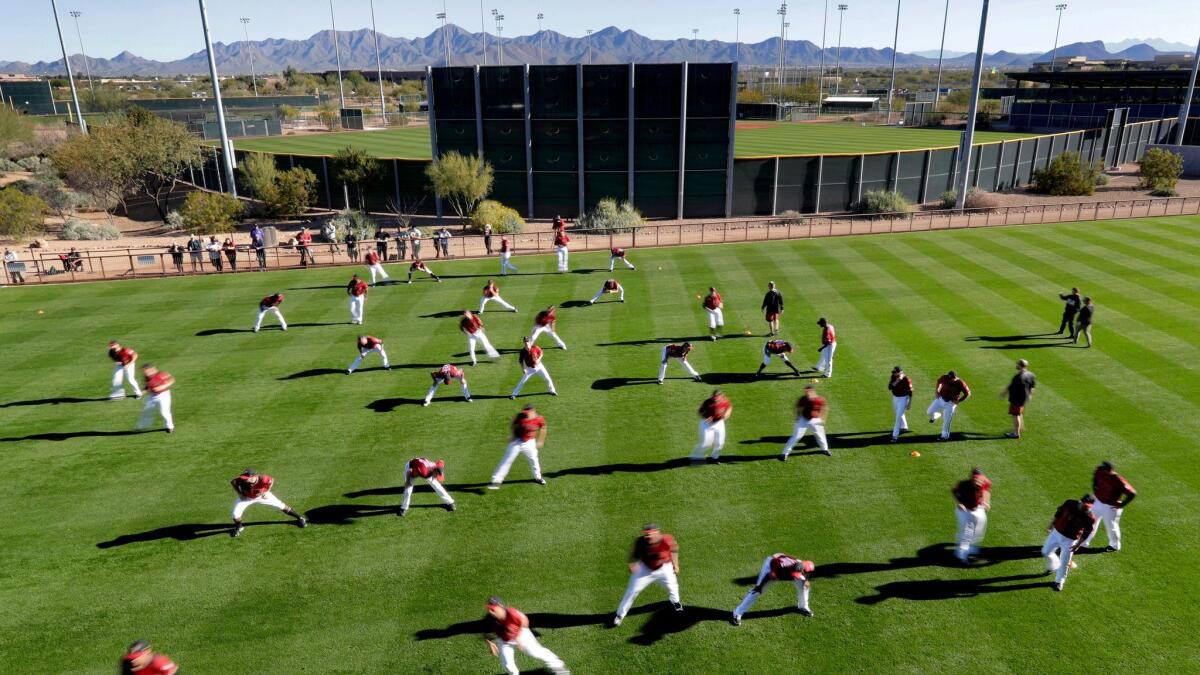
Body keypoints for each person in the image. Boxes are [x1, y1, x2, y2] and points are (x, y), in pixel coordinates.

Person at [611, 524, 683, 627]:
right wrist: (632, 564)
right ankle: (619, 615)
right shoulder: (640, 542)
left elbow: (674, 549)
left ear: (657, 532)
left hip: (664, 568)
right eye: (646, 534)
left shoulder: (667, 539)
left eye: (650, 534)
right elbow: (633, 556)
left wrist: (675, 564)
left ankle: (676, 602)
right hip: (645, 569)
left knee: (673, 587)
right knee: (632, 591)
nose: (647, 537)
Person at [484, 597, 569, 675]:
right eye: (489, 609)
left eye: (492, 609)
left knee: (536, 652)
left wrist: (517, 637)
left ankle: (558, 666)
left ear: (500, 606)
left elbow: (525, 621)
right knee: (507, 664)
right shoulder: (489, 618)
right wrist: (490, 643)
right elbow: (485, 632)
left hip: (521, 634)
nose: (490, 612)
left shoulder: (511, 613)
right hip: (504, 640)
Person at [730, 554, 815, 625]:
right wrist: (760, 586)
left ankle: (803, 606)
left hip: (783, 562)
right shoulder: (780, 567)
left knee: (804, 586)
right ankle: (737, 613)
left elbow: (808, 571)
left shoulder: (804, 565)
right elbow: (770, 571)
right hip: (772, 566)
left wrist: (806, 580)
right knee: (757, 591)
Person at [229, 468, 307, 537]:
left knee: (281, 505)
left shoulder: (263, 479)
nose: (244, 479)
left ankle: (300, 518)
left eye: (247, 477)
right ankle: (239, 526)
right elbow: (233, 482)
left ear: (253, 476)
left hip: (262, 496)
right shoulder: (241, 479)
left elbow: (271, 480)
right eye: (244, 477)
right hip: (247, 498)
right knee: (235, 514)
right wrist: (239, 493)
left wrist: (266, 491)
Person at [1041, 495, 1096, 591]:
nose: (1085, 507)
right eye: (1084, 504)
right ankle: (1054, 565)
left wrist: (1078, 545)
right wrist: (1051, 526)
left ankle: (1059, 582)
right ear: (1080, 501)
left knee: (1065, 562)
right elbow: (1058, 514)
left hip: (1070, 540)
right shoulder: (1069, 503)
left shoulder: (1090, 517)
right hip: (1056, 532)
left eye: (1088, 506)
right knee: (1045, 551)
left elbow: (1086, 533)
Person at [489, 405, 548, 489]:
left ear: (533, 411)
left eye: (527, 413)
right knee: (507, 460)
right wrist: (512, 435)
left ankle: (538, 477)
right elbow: (513, 424)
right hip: (517, 441)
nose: (525, 414)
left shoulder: (539, 418)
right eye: (525, 413)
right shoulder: (519, 416)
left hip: (530, 442)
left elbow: (543, 427)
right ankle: (496, 480)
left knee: (534, 460)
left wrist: (541, 440)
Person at [1083, 461, 1136, 552]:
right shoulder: (1099, 471)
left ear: (1109, 471)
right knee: (1090, 522)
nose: (1100, 469)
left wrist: (1122, 505)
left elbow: (1132, 493)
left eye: (1103, 469)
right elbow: (1094, 480)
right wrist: (1096, 492)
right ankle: (1084, 543)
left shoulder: (1118, 480)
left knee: (1111, 526)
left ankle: (1115, 545)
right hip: (1098, 502)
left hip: (1111, 507)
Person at [952, 468, 991, 563]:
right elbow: (954, 491)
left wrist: (986, 501)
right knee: (967, 532)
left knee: (979, 529)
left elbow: (987, 491)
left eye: (979, 479)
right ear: (972, 479)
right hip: (965, 511)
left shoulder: (985, 482)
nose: (978, 481)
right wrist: (960, 503)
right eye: (975, 479)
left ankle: (970, 546)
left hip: (978, 509)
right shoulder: (964, 485)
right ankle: (961, 554)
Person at [781, 385, 829, 459]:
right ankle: (784, 453)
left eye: (808, 391)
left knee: (820, 436)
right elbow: (797, 407)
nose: (807, 393)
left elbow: (824, 408)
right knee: (796, 436)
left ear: (813, 391)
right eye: (806, 392)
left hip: (815, 420)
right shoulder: (803, 399)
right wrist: (797, 416)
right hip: (803, 419)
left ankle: (825, 449)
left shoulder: (820, 399)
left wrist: (823, 418)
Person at [927, 370, 970, 441]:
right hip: (940, 399)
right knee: (929, 412)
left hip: (950, 403)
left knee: (946, 420)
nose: (950, 379)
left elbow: (967, 393)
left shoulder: (960, 383)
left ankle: (945, 435)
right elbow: (938, 382)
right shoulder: (945, 377)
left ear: (955, 377)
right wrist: (937, 391)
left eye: (951, 378)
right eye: (949, 377)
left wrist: (959, 401)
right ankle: (936, 415)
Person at [690, 389, 731, 463]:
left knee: (720, 442)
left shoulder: (724, 401)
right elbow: (700, 411)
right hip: (707, 424)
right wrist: (706, 417)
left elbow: (729, 407)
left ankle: (715, 458)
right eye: (715, 398)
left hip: (719, 423)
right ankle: (696, 456)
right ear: (712, 396)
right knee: (706, 443)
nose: (716, 400)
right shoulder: (708, 402)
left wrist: (727, 414)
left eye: (718, 398)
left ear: (721, 396)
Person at [135, 364, 174, 433]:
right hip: (152, 396)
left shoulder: (160, 374)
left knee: (164, 412)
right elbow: (147, 386)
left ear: (150, 369)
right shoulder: (146, 377)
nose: (144, 372)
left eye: (144, 371)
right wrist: (142, 392)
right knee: (146, 410)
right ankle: (142, 426)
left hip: (163, 395)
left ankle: (169, 427)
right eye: (143, 371)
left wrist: (163, 386)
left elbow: (171, 379)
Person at [1003, 359, 1036, 439]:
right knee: (1019, 413)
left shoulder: (1018, 377)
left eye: (1017, 364)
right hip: (1025, 398)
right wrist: (1030, 396)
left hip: (1017, 399)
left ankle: (1016, 434)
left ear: (1020, 366)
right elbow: (1032, 386)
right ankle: (1021, 428)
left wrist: (1003, 393)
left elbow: (1010, 387)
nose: (1016, 365)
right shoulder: (1031, 374)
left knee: (1015, 415)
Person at [888, 366, 913, 442]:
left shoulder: (907, 379)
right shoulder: (893, 377)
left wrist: (909, 403)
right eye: (894, 372)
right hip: (895, 398)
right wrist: (898, 380)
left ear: (900, 372)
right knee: (898, 413)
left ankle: (895, 436)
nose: (894, 374)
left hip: (904, 398)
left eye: (896, 372)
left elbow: (910, 392)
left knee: (898, 417)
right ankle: (904, 426)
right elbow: (890, 387)